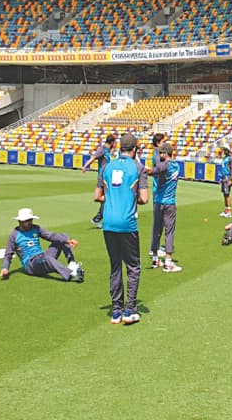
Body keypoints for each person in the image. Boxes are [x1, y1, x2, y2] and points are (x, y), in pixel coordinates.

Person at [95, 133, 149, 325]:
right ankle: (130, 310)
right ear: (135, 149)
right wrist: (129, 199)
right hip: (127, 223)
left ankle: (116, 311)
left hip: (108, 223)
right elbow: (144, 199)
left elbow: (97, 196)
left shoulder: (107, 167)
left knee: (115, 265)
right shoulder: (138, 167)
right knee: (133, 267)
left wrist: (114, 199)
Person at [0, 208, 84, 283]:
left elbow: (51, 236)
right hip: (30, 264)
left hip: (42, 257)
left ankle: (72, 264)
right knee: (47, 258)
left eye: (30, 220)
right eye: (27, 220)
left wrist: (67, 241)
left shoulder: (36, 228)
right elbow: (8, 254)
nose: (30, 222)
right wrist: (5, 268)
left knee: (63, 236)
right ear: (20, 221)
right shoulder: (14, 235)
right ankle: (71, 274)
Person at [145, 142, 181, 273]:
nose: (159, 155)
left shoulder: (165, 165)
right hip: (169, 202)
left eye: (161, 153)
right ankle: (167, 262)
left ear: (166, 153)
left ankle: (157, 260)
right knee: (168, 231)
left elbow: (158, 169)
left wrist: (146, 170)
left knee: (157, 229)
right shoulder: (177, 165)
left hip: (159, 202)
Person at [81, 134, 116, 228]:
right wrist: (85, 166)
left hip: (107, 178)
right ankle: (99, 218)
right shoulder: (102, 149)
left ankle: (99, 218)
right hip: (102, 177)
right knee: (105, 198)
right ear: (112, 142)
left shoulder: (108, 150)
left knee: (106, 199)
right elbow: (93, 158)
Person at [148, 132, 167, 260]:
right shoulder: (157, 156)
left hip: (159, 190)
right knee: (158, 221)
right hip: (158, 190)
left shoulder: (157, 154)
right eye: (163, 142)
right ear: (158, 143)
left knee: (160, 221)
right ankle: (154, 248)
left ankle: (157, 246)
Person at [219, 145, 232, 218]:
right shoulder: (224, 158)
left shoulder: (230, 158)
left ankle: (229, 212)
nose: (224, 151)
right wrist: (221, 178)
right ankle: (226, 210)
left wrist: (231, 179)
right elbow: (223, 169)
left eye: (225, 150)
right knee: (224, 194)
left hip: (227, 177)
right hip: (223, 177)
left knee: (227, 194)